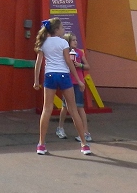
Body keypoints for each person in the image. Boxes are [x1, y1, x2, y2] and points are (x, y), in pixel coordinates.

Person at [33, 18, 92, 156]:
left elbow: (38, 63)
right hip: (64, 76)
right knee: (73, 109)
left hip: (50, 76)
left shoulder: (43, 43)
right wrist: (78, 79)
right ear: (57, 30)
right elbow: (68, 62)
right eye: (62, 28)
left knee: (46, 109)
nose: (64, 30)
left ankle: (41, 144)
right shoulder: (63, 42)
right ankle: (84, 144)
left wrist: (36, 80)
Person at [64, 33, 92, 143]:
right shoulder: (65, 53)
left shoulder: (80, 52)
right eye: (73, 40)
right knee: (65, 106)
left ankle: (86, 132)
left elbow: (87, 66)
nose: (75, 42)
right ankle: (60, 128)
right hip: (67, 82)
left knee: (80, 107)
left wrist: (79, 65)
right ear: (68, 42)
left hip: (78, 81)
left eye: (76, 40)